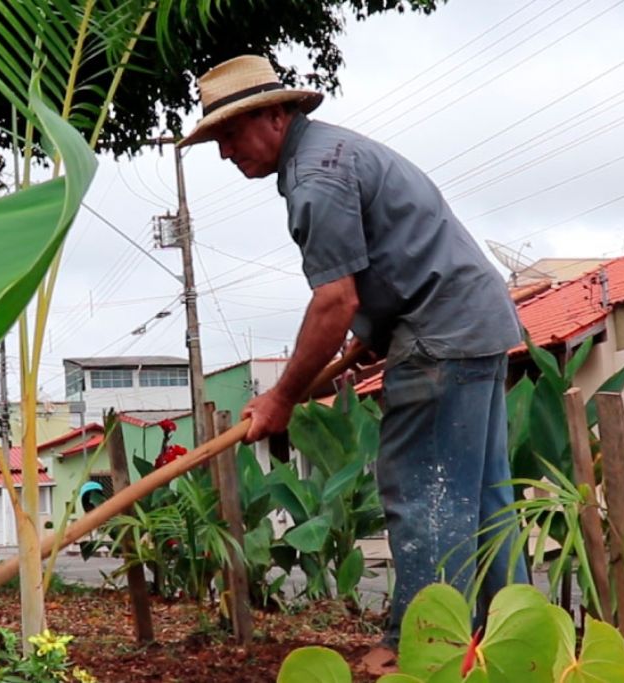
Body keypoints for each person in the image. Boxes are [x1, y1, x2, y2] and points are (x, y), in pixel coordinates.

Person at [177, 55, 529, 675]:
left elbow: (335, 299)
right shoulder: (334, 155)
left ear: (277, 114)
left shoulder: (317, 177)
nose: (225, 153)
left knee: (426, 493)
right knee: (484, 498)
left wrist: (282, 395)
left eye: (230, 134)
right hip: (470, 322)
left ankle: (419, 647)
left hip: (442, 333)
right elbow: (378, 282)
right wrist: (346, 355)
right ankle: (515, 641)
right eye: (217, 139)